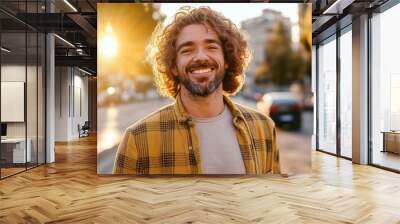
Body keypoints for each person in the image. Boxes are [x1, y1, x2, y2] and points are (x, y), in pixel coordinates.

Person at [113, 6, 280, 175]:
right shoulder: (138, 139)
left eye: (211, 47)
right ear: (174, 67)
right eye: (187, 50)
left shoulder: (264, 127)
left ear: (227, 59)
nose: (200, 57)